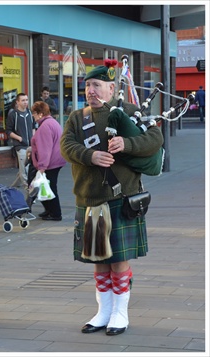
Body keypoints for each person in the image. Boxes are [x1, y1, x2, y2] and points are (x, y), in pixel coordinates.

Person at [60, 61, 164, 336]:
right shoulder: (77, 117)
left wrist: (127, 144)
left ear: (111, 88)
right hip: (88, 198)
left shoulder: (129, 111)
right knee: (99, 260)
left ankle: (121, 313)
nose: (90, 91)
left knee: (119, 259)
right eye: (87, 86)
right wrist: (90, 155)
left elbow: (155, 138)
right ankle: (103, 311)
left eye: (96, 85)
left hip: (120, 198)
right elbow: (66, 146)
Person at [28, 101, 66, 221]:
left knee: (48, 187)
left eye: (34, 113)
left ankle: (55, 213)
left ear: (40, 113)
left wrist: (42, 167)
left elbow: (44, 149)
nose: (33, 116)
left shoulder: (45, 126)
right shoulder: (52, 122)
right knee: (47, 186)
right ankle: (49, 210)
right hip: (56, 161)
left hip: (50, 163)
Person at [5, 93, 36, 188]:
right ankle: (29, 191)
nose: (25, 102)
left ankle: (12, 189)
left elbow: (33, 127)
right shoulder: (13, 114)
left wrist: (33, 140)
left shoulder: (30, 113)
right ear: (17, 102)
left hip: (30, 145)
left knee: (25, 168)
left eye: (26, 100)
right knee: (25, 171)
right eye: (23, 100)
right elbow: (8, 131)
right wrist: (19, 138)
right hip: (20, 146)